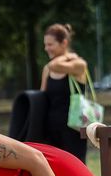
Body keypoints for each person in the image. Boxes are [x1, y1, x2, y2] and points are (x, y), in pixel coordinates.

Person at [38, 23, 91, 163]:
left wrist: (68, 56)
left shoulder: (78, 65)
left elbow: (55, 65)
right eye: (45, 44)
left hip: (73, 130)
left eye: (50, 44)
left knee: (75, 169)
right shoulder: (47, 70)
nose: (46, 48)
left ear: (64, 43)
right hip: (51, 130)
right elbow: (42, 98)